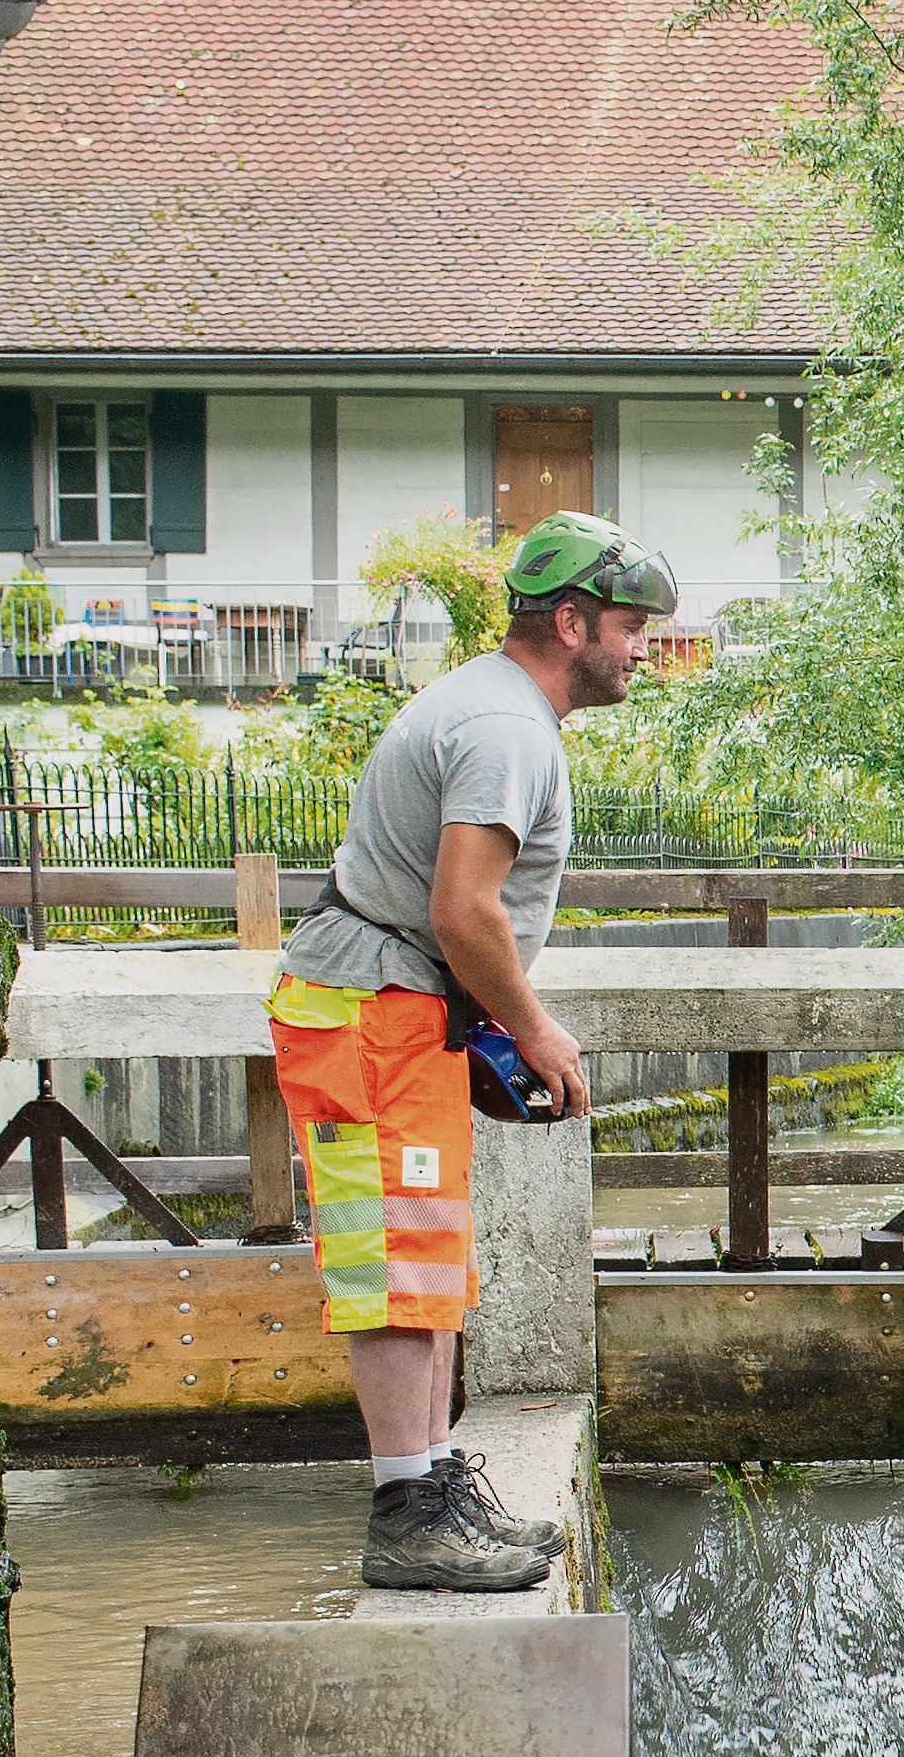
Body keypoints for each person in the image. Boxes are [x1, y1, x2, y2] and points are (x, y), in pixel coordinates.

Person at [266, 510, 670, 1591]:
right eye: (632, 625)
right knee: (395, 1262)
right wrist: (532, 1026)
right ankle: (408, 1515)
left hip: (402, 1010)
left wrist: (488, 1023)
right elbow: (461, 909)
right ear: (572, 621)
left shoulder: (498, 710)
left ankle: (437, 1483)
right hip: (371, 1015)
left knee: (429, 1254)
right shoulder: (504, 729)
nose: (644, 648)